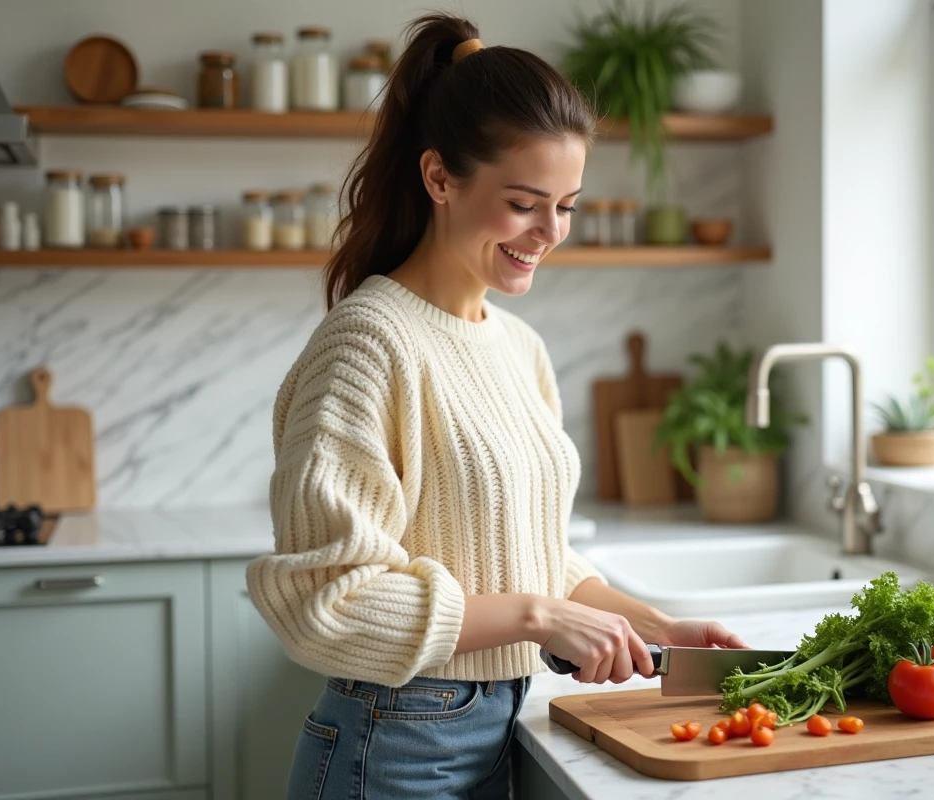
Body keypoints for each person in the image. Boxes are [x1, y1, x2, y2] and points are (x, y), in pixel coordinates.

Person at [246, 12, 748, 800]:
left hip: (497, 727)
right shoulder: (368, 344)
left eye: (568, 205)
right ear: (440, 177)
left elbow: (530, 555)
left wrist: (659, 630)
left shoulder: (517, 347)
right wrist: (538, 621)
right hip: (395, 743)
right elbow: (325, 598)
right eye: (524, 203)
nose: (550, 232)